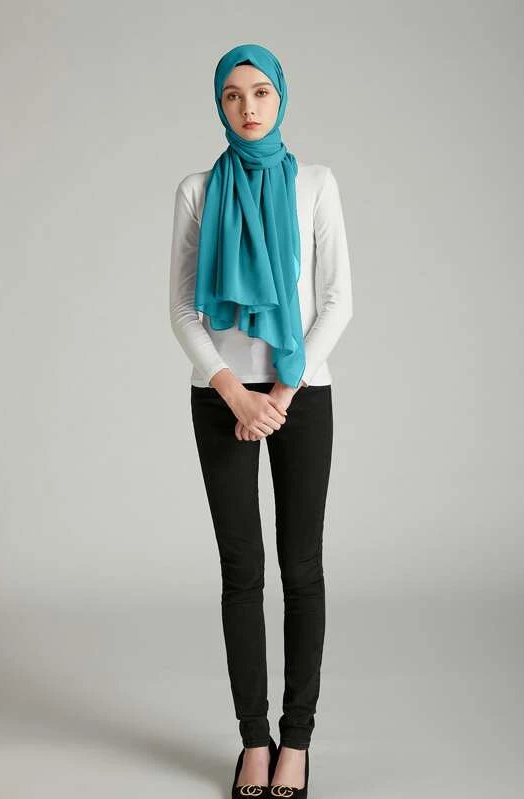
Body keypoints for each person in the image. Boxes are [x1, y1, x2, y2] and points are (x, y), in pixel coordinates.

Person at [169, 42, 353, 798]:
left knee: (302, 568)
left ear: (281, 96)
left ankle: (297, 741)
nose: (248, 107)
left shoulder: (316, 184)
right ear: (219, 104)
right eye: (233, 95)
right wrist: (235, 393)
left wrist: (278, 392)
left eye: (261, 93)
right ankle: (253, 739)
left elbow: (338, 301)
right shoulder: (197, 190)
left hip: (300, 395)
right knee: (241, 571)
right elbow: (184, 309)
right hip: (220, 399)